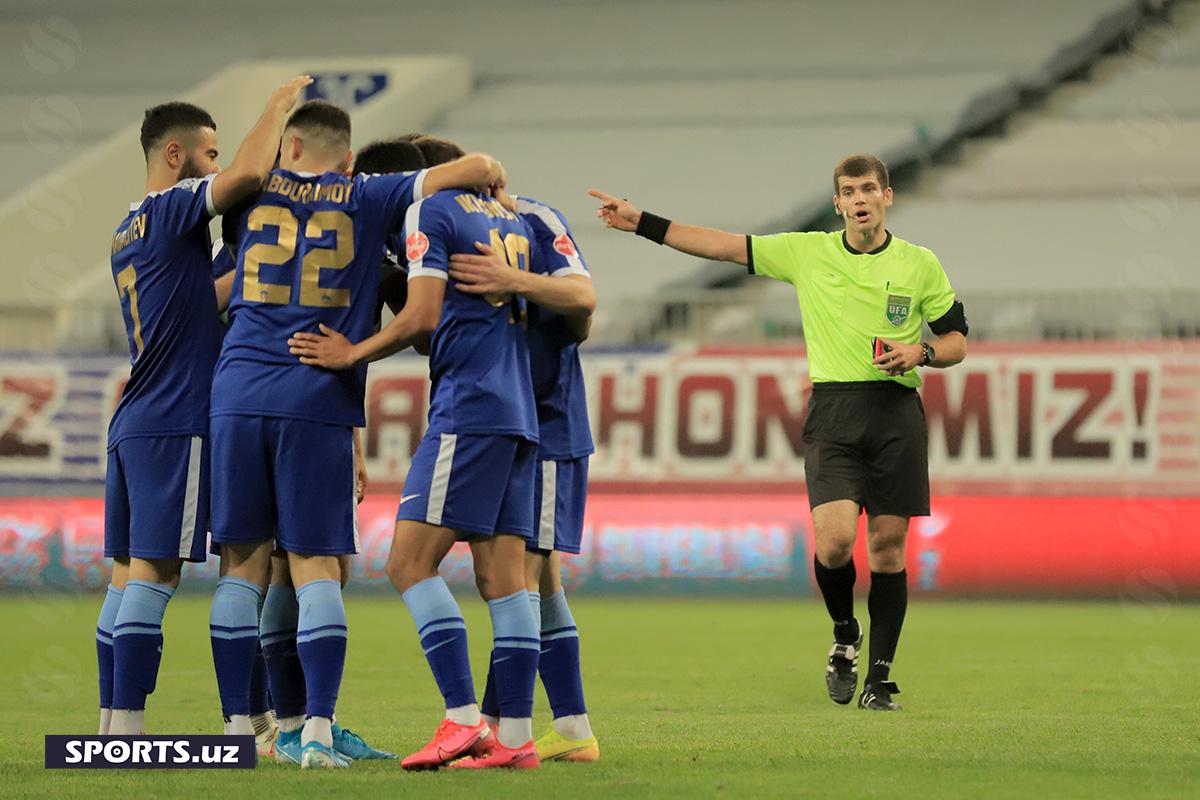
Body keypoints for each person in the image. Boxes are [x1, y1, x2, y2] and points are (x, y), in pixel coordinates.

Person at [589, 154, 969, 711]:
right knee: (835, 542)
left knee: (888, 548)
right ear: (838, 203)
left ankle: (880, 680)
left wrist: (923, 351)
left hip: (896, 413)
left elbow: (957, 340)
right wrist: (642, 221)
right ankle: (845, 633)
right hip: (835, 411)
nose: (859, 199)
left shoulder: (920, 264)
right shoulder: (807, 251)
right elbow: (720, 245)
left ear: (887, 196)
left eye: (869, 188)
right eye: (848, 191)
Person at [206, 99, 507, 768]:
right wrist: (493, 184)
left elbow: (226, 241)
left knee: (243, 568)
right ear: (347, 156)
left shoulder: (250, 192)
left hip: (234, 392)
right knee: (320, 569)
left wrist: (277, 103)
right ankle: (314, 732)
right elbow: (478, 166)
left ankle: (240, 736)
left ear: (288, 149)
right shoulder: (369, 195)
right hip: (313, 394)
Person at [287, 171, 543, 770]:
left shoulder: (429, 212)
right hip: (518, 407)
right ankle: (516, 738)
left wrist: (352, 353)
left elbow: (424, 316)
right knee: (507, 583)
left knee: (407, 562)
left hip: (469, 407)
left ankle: (462, 718)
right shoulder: (507, 218)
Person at [98, 76, 312, 737]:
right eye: (208, 153)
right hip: (178, 417)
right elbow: (247, 175)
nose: (217, 165)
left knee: (126, 576)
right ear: (175, 156)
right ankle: (139, 732)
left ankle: (112, 723)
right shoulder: (170, 209)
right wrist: (278, 106)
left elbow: (207, 295)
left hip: (135, 421)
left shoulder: (128, 228)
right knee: (161, 575)